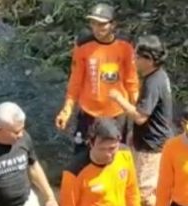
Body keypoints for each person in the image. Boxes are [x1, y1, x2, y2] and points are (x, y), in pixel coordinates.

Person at [54, 3, 139, 154]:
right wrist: (66, 110)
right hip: (89, 112)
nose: (97, 29)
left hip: (116, 112)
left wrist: (137, 112)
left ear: (113, 24)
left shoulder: (125, 45)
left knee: (114, 153)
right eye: (93, 24)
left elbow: (131, 81)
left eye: (102, 24)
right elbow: (75, 80)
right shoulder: (83, 44)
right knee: (82, 154)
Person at [109, 35, 175, 206]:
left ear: (149, 60)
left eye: (138, 57)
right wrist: (134, 133)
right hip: (149, 138)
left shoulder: (154, 82)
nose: (134, 60)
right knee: (150, 186)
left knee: (144, 193)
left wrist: (118, 99)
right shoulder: (157, 76)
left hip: (152, 144)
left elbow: (140, 116)